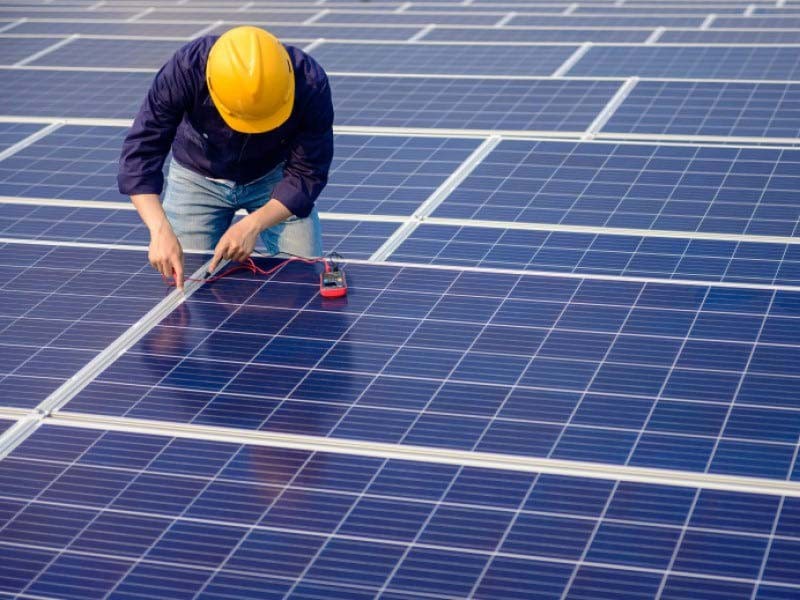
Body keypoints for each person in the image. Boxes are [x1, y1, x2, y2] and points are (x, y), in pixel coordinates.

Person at [117, 26, 334, 290]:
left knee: (303, 275)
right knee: (184, 282)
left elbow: (308, 172)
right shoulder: (185, 69)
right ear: (210, 83)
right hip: (197, 178)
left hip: (273, 181)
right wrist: (159, 230)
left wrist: (253, 225)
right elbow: (142, 151)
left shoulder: (309, 83)